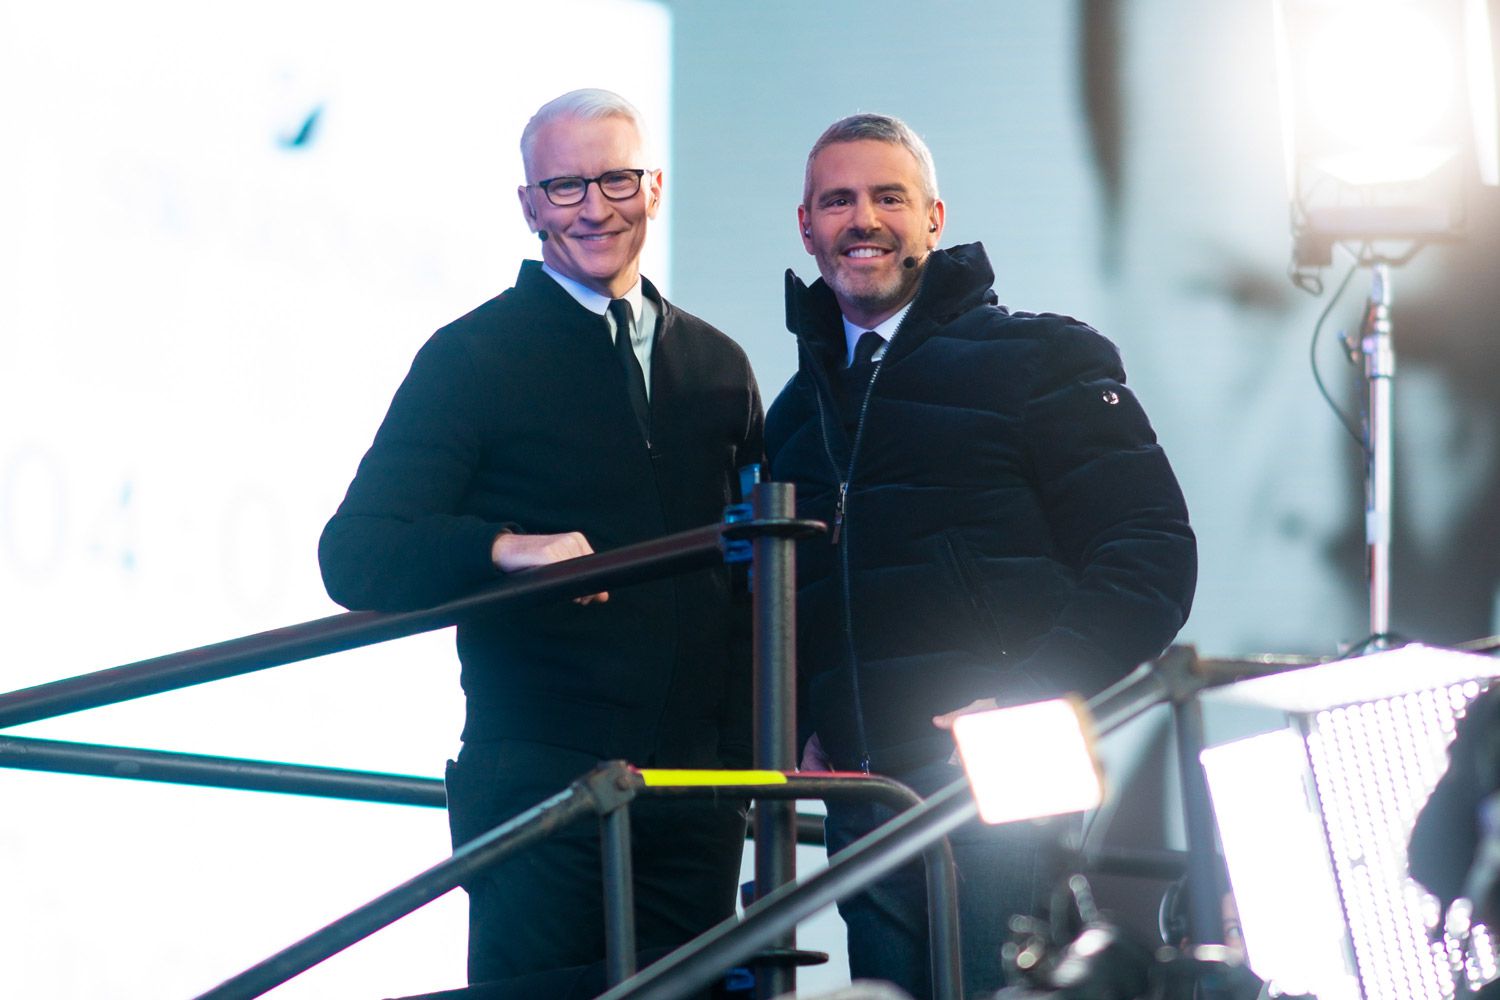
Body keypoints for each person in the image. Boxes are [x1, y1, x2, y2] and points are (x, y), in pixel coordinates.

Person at [319, 88, 763, 992]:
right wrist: (502, 549)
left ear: (655, 186)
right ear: (527, 205)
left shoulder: (719, 367)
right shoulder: (473, 355)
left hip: (698, 794)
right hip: (541, 787)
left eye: (615, 179)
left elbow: (756, 579)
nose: (595, 207)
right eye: (564, 188)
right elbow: (356, 552)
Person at [764, 113, 1197, 997]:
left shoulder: (1040, 355)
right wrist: (810, 709)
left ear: (935, 217)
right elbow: (787, 590)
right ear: (806, 225)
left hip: (1013, 760)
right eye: (838, 200)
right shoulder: (793, 411)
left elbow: (1150, 554)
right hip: (863, 785)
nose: (864, 220)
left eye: (891, 197)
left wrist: (1033, 697)